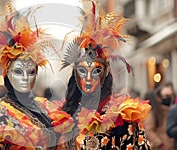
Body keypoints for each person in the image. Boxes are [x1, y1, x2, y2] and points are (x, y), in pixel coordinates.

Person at [0, 3, 73, 149]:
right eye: (18, 72)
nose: (25, 78)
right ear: (7, 73)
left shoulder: (45, 107)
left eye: (31, 72)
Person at [58, 1, 151, 149]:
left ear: (104, 76)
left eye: (96, 71)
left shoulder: (121, 118)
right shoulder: (64, 116)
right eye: (82, 71)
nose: (88, 78)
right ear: (75, 75)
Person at [144, 83, 175, 150]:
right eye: (166, 96)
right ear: (159, 98)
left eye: (171, 95)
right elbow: (148, 130)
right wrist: (159, 143)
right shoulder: (154, 112)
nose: (169, 98)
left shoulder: (173, 110)